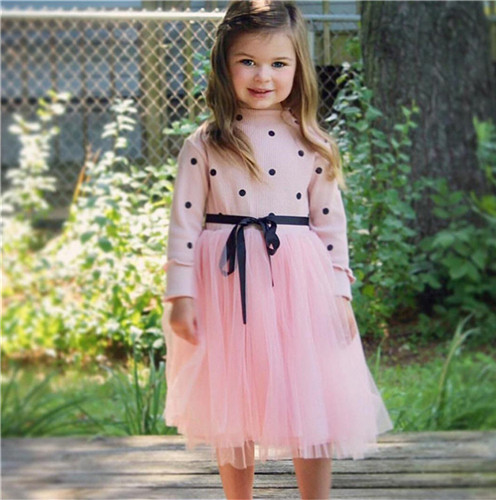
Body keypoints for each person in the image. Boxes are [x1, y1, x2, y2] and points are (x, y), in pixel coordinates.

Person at [161, 1, 393, 498]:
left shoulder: (313, 142)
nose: (262, 75)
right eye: (247, 61)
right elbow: (184, 223)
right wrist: (179, 294)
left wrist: (339, 293)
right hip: (227, 287)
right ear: (224, 65)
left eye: (278, 63)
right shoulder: (205, 143)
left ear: (298, 67)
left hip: (298, 286)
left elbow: (330, 226)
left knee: (312, 396)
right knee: (234, 395)